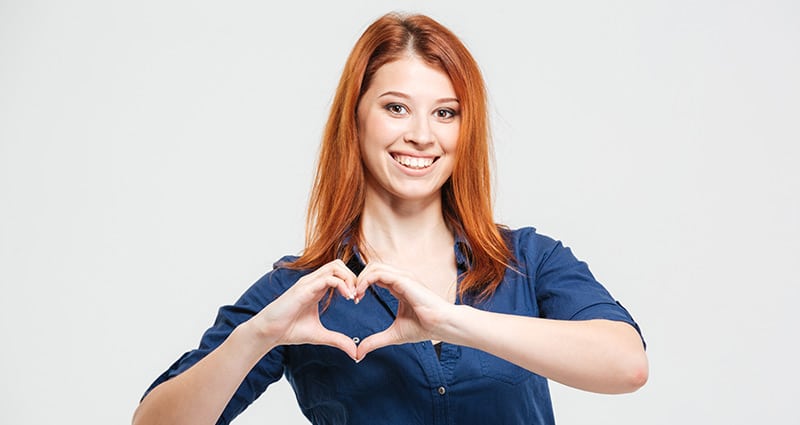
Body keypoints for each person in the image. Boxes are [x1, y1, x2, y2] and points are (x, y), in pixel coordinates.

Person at [132, 11, 648, 425]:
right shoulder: (300, 292)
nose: (423, 135)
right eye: (396, 108)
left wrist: (452, 322)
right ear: (355, 119)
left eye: (445, 113)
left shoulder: (527, 261)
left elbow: (626, 364)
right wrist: (257, 337)